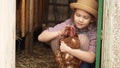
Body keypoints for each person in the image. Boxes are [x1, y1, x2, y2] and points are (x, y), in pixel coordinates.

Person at [38, 0, 98, 68]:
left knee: (83, 39)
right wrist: (59, 32)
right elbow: (40, 37)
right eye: (78, 15)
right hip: (66, 60)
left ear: (92, 19)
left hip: (83, 62)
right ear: (74, 14)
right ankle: (62, 64)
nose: (80, 20)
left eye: (85, 17)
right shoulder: (69, 23)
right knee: (55, 38)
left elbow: (91, 58)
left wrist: (69, 50)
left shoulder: (94, 30)